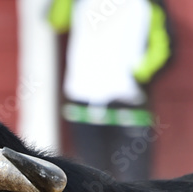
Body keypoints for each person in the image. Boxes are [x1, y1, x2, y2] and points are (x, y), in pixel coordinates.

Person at [49, 0, 171, 182]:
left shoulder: (149, 4)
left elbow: (164, 48)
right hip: (84, 104)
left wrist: (138, 75)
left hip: (129, 105)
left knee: (135, 183)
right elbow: (57, 21)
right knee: (91, 180)